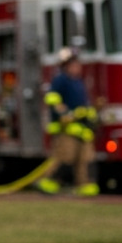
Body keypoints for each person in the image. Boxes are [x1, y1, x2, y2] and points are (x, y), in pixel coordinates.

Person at [37, 46, 99, 196]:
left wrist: (90, 114)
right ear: (65, 66)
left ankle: (84, 185)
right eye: (73, 64)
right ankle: (49, 181)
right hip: (67, 128)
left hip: (82, 129)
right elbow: (52, 99)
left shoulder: (78, 82)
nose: (77, 67)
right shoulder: (60, 80)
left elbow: (84, 103)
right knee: (65, 157)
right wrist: (65, 113)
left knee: (85, 159)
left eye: (77, 64)